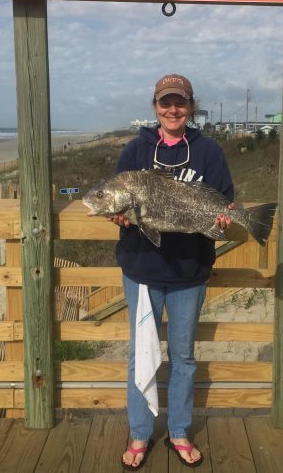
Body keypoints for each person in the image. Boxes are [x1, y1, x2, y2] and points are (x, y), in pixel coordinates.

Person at [112, 74, 234, 470]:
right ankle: (139, 432)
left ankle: (179, 431)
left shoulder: (209, 151)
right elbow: (115, 198)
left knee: (183, 357)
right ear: (155, 107)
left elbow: (224, 201)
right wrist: (115, 213)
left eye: (179, 103)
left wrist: (223, 220)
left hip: (190, 273)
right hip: (142, 273)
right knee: (139, 355)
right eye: (165, 103)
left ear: (190, 106)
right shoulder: (134, 151)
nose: (172, 110)